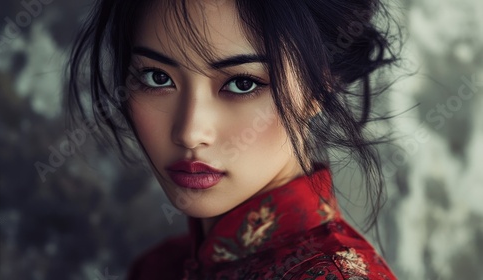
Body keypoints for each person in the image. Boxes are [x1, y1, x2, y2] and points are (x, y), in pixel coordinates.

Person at [66, 0, 399, 279]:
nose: (190, 132)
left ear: (319, 86)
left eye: (242, 83)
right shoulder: (159, 268)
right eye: (157, 77)